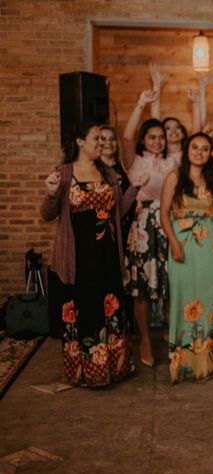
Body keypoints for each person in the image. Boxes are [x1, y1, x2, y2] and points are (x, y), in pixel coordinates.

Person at [40, 122, 148, 387]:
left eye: (103, 139)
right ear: (79, 142)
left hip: (107, 256)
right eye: (96, 138)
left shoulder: (108, 172)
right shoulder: (63, 173)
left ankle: (115, 368)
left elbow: (119, 211)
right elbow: (47, 214)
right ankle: (86, 373)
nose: (102, 143)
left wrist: (134, 188)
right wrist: (52, 193)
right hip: (78, 258)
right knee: (84, 310)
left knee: (110, 308)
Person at [159, 133, 213, 383]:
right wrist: (173, 242)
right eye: (195, 147)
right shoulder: (174, 178)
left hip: (212, 246)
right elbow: (164, 214)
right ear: (187, 149)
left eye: (205, 149)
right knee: (186, 300)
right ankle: (187, 364)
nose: (199, 152)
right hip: (184, 244)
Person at [122, 89, 180, 367]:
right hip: (144, 228)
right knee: (143, 289)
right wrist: (142, 102)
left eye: (161, 136)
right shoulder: (134, 161)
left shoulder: (172, 162)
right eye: (152, 137)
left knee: (172, 285)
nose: (157, 141)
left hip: (170, 226)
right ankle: (145, 340)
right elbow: (126, 136)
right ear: (144, 140)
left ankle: (171, 337)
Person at [100, 125, 136, 248]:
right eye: (103, 139)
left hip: (129, 224)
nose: (108, 142)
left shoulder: (122, 167)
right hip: (109, 227)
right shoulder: (94, 170)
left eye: (112, 139)